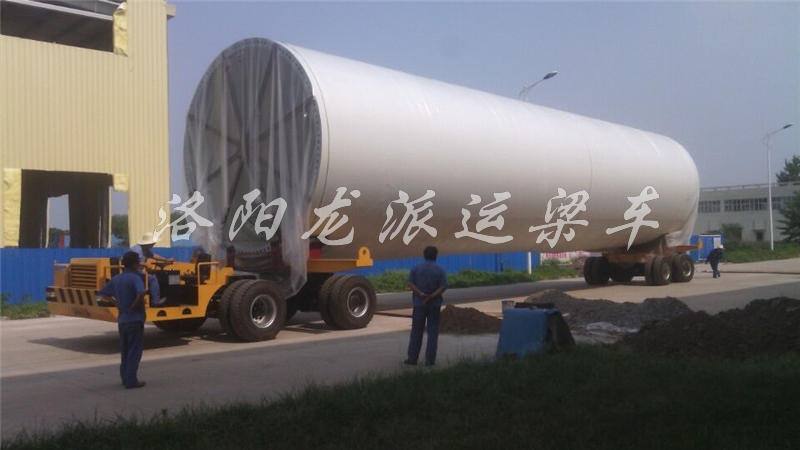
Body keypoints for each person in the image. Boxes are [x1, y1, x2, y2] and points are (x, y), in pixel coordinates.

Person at [99, 251, 147, 389]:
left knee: (125, 351)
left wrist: (116, 303)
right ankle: (131, 381)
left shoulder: (117, 279)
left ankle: (125, 378)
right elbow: (141, 293)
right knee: (134, 351)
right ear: (135, 264)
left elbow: (103, 293)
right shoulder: (136, 278)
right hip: (135, 319)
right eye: (138, 262)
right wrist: (133, 306)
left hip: (122, 320)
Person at [405, 246, 447, 366]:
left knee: (416, 331)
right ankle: (430, 360)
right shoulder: (440, 270)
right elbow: (443, 286)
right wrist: (432, 296)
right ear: (436, 255)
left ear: (424, 255)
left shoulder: (416, 268)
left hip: (419, 304)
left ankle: (412, 358)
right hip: (434, 305)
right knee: (432, 332)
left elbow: (410, 283)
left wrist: (422, 294)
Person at [130, 232, 173, 305]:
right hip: (133, 272)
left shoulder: (144, 249)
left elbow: (153, 255)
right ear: (148, 243)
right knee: (153, 279)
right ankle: (155, 301)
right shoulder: (136, 250)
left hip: (137, 271)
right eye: (153, 243)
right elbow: (131, 261)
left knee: (151, 275)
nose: (154, 244)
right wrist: (145, 264)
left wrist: (165, 260)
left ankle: (152, 297)